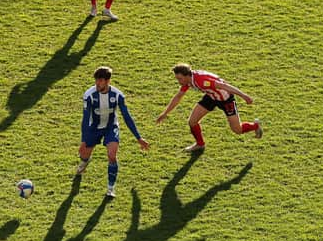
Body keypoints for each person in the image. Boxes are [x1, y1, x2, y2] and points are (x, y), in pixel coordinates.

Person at [77, 66, 150, 197]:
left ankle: (111, 189)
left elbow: (127, 117)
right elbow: (85, 119)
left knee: (112, 155)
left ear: (107, 81)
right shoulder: (89, 95)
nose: (97, 84)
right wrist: (84, 140)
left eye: (100, 81)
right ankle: (84, 162)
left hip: (111, 127)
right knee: (84, 154)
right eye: (96, 81)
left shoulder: (117, 95)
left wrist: (138, 138)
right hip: (94, 128)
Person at [156, 64, 263, 152]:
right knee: (192, 121)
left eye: (180, 78)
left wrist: (244, 96)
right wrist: (165, 113)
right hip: (211, 97)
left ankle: (255, 125)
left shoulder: (201, 80)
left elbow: (224, 86)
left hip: (226, 100)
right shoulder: (188, 81)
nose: (179, 81)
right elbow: (178, 96)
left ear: (187, 75)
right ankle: (200, 144)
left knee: (237, 130)